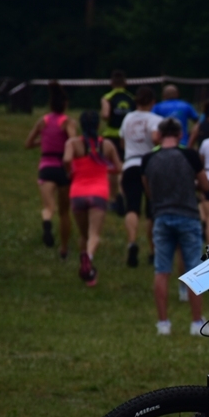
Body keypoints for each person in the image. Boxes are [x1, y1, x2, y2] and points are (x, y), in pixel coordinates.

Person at [141, 117, 209, 336]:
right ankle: (197, 323)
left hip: (162, 216)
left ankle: (163, 323)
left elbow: (149, 191)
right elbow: (206, 185)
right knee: (194, 270)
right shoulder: (190, 156)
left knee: (161, 270)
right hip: (188, 215)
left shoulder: (148, 158)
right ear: (180, 135)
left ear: (160, 135)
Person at [63, 111, 122, 286]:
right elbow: (118, 167)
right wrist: (105, 169)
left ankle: (88, 272)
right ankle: (88, 259)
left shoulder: (73, 144)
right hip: (98, 193)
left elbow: (66, 159)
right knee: (94, 234)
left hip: (77, 193)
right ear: (98, 126)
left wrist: (70, 170)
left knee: (83, 234)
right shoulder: (107, 145)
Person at [24, 80, 77, 258]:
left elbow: (28, 143)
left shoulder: (43, 121)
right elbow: (73, 143)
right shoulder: (68, 122)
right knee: (64, 212)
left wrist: (43, 141)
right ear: (66, 104)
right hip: (63, 168)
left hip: (46, 167)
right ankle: (63, 249)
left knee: (48, 207)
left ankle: (46, 222)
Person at [118, 86, 163, 268]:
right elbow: (155, 138)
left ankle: (132, 242)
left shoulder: (127, 118)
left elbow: (121, 141)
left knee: (132, 207)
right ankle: (153, 252)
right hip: (149, 164)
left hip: (130, 164)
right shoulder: (155, 119)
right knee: (151, 210)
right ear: (153, 102)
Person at [100, 70, 136, 213]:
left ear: (111, 83)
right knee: (123, 165)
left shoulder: (107, 97)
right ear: (125, 83)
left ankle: (113, 199)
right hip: (127, 135)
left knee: (111, 168)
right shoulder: (131, 98)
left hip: (111, 134)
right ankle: (123, 193)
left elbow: (105, 114)